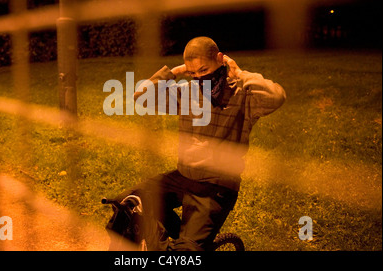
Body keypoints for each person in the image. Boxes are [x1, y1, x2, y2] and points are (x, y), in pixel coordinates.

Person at [111, 36, 286, 251]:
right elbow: (141, 97)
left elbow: (276, 97)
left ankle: (183, 245)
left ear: (220, 59)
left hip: (216, 186)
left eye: (203, 70)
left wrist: (239, 72)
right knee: (126, 206)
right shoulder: (187, 93)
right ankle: (174, 241)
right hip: (183, 177)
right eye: (193, 73)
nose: (199, 77)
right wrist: (174, 73)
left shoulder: (242, 96)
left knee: (184, 253)